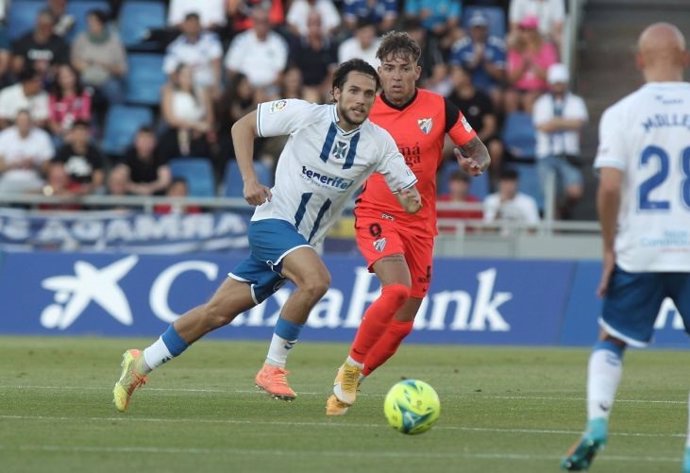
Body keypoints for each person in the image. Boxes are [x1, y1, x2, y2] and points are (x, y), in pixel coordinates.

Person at [112, 58, 423, 411]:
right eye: (353, 90)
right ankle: (273, 367)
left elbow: (408, 190)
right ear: (336, 92)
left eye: (369, 94)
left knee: (216, 313)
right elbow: (242, 126)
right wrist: (248, 178)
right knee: (317, 281)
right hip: (272, 223)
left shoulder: (379, 142)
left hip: (299, 242)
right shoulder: (305, 115)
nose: (361, 100)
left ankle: (140, 363)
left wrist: (411, 200)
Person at [325, 32, 490, 416]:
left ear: (418, 71)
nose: (396, 77)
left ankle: (353, 379)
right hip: (377, 214)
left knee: (402, 325)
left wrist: (477, 161)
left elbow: (476, 147)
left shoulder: (440, 108)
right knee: (396, 288)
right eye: (389, 68)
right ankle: (350, 367)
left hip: (421, 223)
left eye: (404, 69)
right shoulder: (361, 109)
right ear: (379, 71)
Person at [561, 23, 690, 472]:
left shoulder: (622, 113)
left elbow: (609, 187)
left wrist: (610, 249)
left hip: (642, 248)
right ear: (686, 59)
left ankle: (596, 422)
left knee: (611, 338)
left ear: (639, 61)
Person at [533, 63, 587, 219]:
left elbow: (578, 123)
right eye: (556, 83)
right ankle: (556, 218)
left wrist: (555, 122)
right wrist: (566, 122)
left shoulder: (576, 101)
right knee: (548, 194)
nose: (558, 86)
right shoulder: (542, 102)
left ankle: (564, 210)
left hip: (568, 153)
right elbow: (542, 127)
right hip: (546, 153)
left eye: (561, 83)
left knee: (575, 191)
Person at [482, 167, 539, 233]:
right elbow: (488, 230)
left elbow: (534, 229)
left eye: (512, 182)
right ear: (499, 183)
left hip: (521, 240)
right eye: (506, 182)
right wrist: (500, 207)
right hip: (497, 240)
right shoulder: (491, 200)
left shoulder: (528, 202)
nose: (509, 186)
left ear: (517, 183)